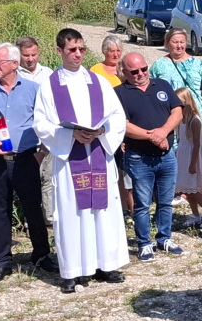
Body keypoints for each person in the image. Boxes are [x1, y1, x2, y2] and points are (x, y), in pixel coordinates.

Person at [33, 28, 129, 292]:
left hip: (98, 152)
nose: (78, 54)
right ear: (59, 51)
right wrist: (71, 134)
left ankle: (106, 265)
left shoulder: (98, 82)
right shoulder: (49, 85)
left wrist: (102, 131)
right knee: (71, 213)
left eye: (81, 49)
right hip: (69, 160)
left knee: (103, 211)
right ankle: (73, 271)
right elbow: (40, 123)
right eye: (72, 49)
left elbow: (117, 116)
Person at [0, 42, 56, 283]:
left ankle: (41, 255)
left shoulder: (34, 89)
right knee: (0, 210)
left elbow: (48, 123)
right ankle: (2, 261)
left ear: (14, 64)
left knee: (33, 209)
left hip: (27, 158)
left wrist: (41, 153)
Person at [115, 52, 184, 261]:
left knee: (166, 201)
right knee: (142, 204)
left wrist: (163, 132)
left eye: (143, 69)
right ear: (125, 72)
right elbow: (123, 125)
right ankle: (144, 243)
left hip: (166, 155)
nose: (140, 74)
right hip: (139, 157)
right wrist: (153, 136)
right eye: (134, 71)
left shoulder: (161, 85)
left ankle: (164, 238)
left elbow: (177, 111)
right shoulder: (119, 93)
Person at [150, 27, 202, 158]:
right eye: (175, 42)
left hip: (196, 113)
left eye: (182, 42)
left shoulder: (197, 64)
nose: (179, 46)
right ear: (167, 43)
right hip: (171, 114)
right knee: (178, 153)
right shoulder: (159, 65)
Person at [17, 36, 56, 228]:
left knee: (49, 178)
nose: (30, 59)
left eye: (34, 54)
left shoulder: (48, 74)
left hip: (47, 135)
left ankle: (49, 219)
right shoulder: (14, 75)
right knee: (30, 181)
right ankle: (31, 220)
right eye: (26, 55)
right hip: (26, 138)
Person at [174, 87, 202, 228]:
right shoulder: (181, 119)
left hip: (192, 157)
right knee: (187, 188)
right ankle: (195, 214)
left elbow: (197, 144)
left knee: (195, 189)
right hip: (183, 156)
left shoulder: (194, 121)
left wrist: (193, 163)